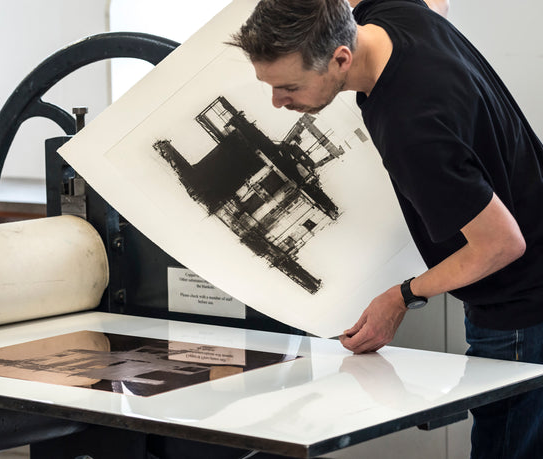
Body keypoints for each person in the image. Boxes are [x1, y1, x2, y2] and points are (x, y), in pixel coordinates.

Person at [229, 1, 543, 458]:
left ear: (340, 58)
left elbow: (501, 244)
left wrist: (401, 297)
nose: (278, 102)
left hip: (521, 305)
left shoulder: (411, 125)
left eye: (288, 86)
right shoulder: (390, 14)